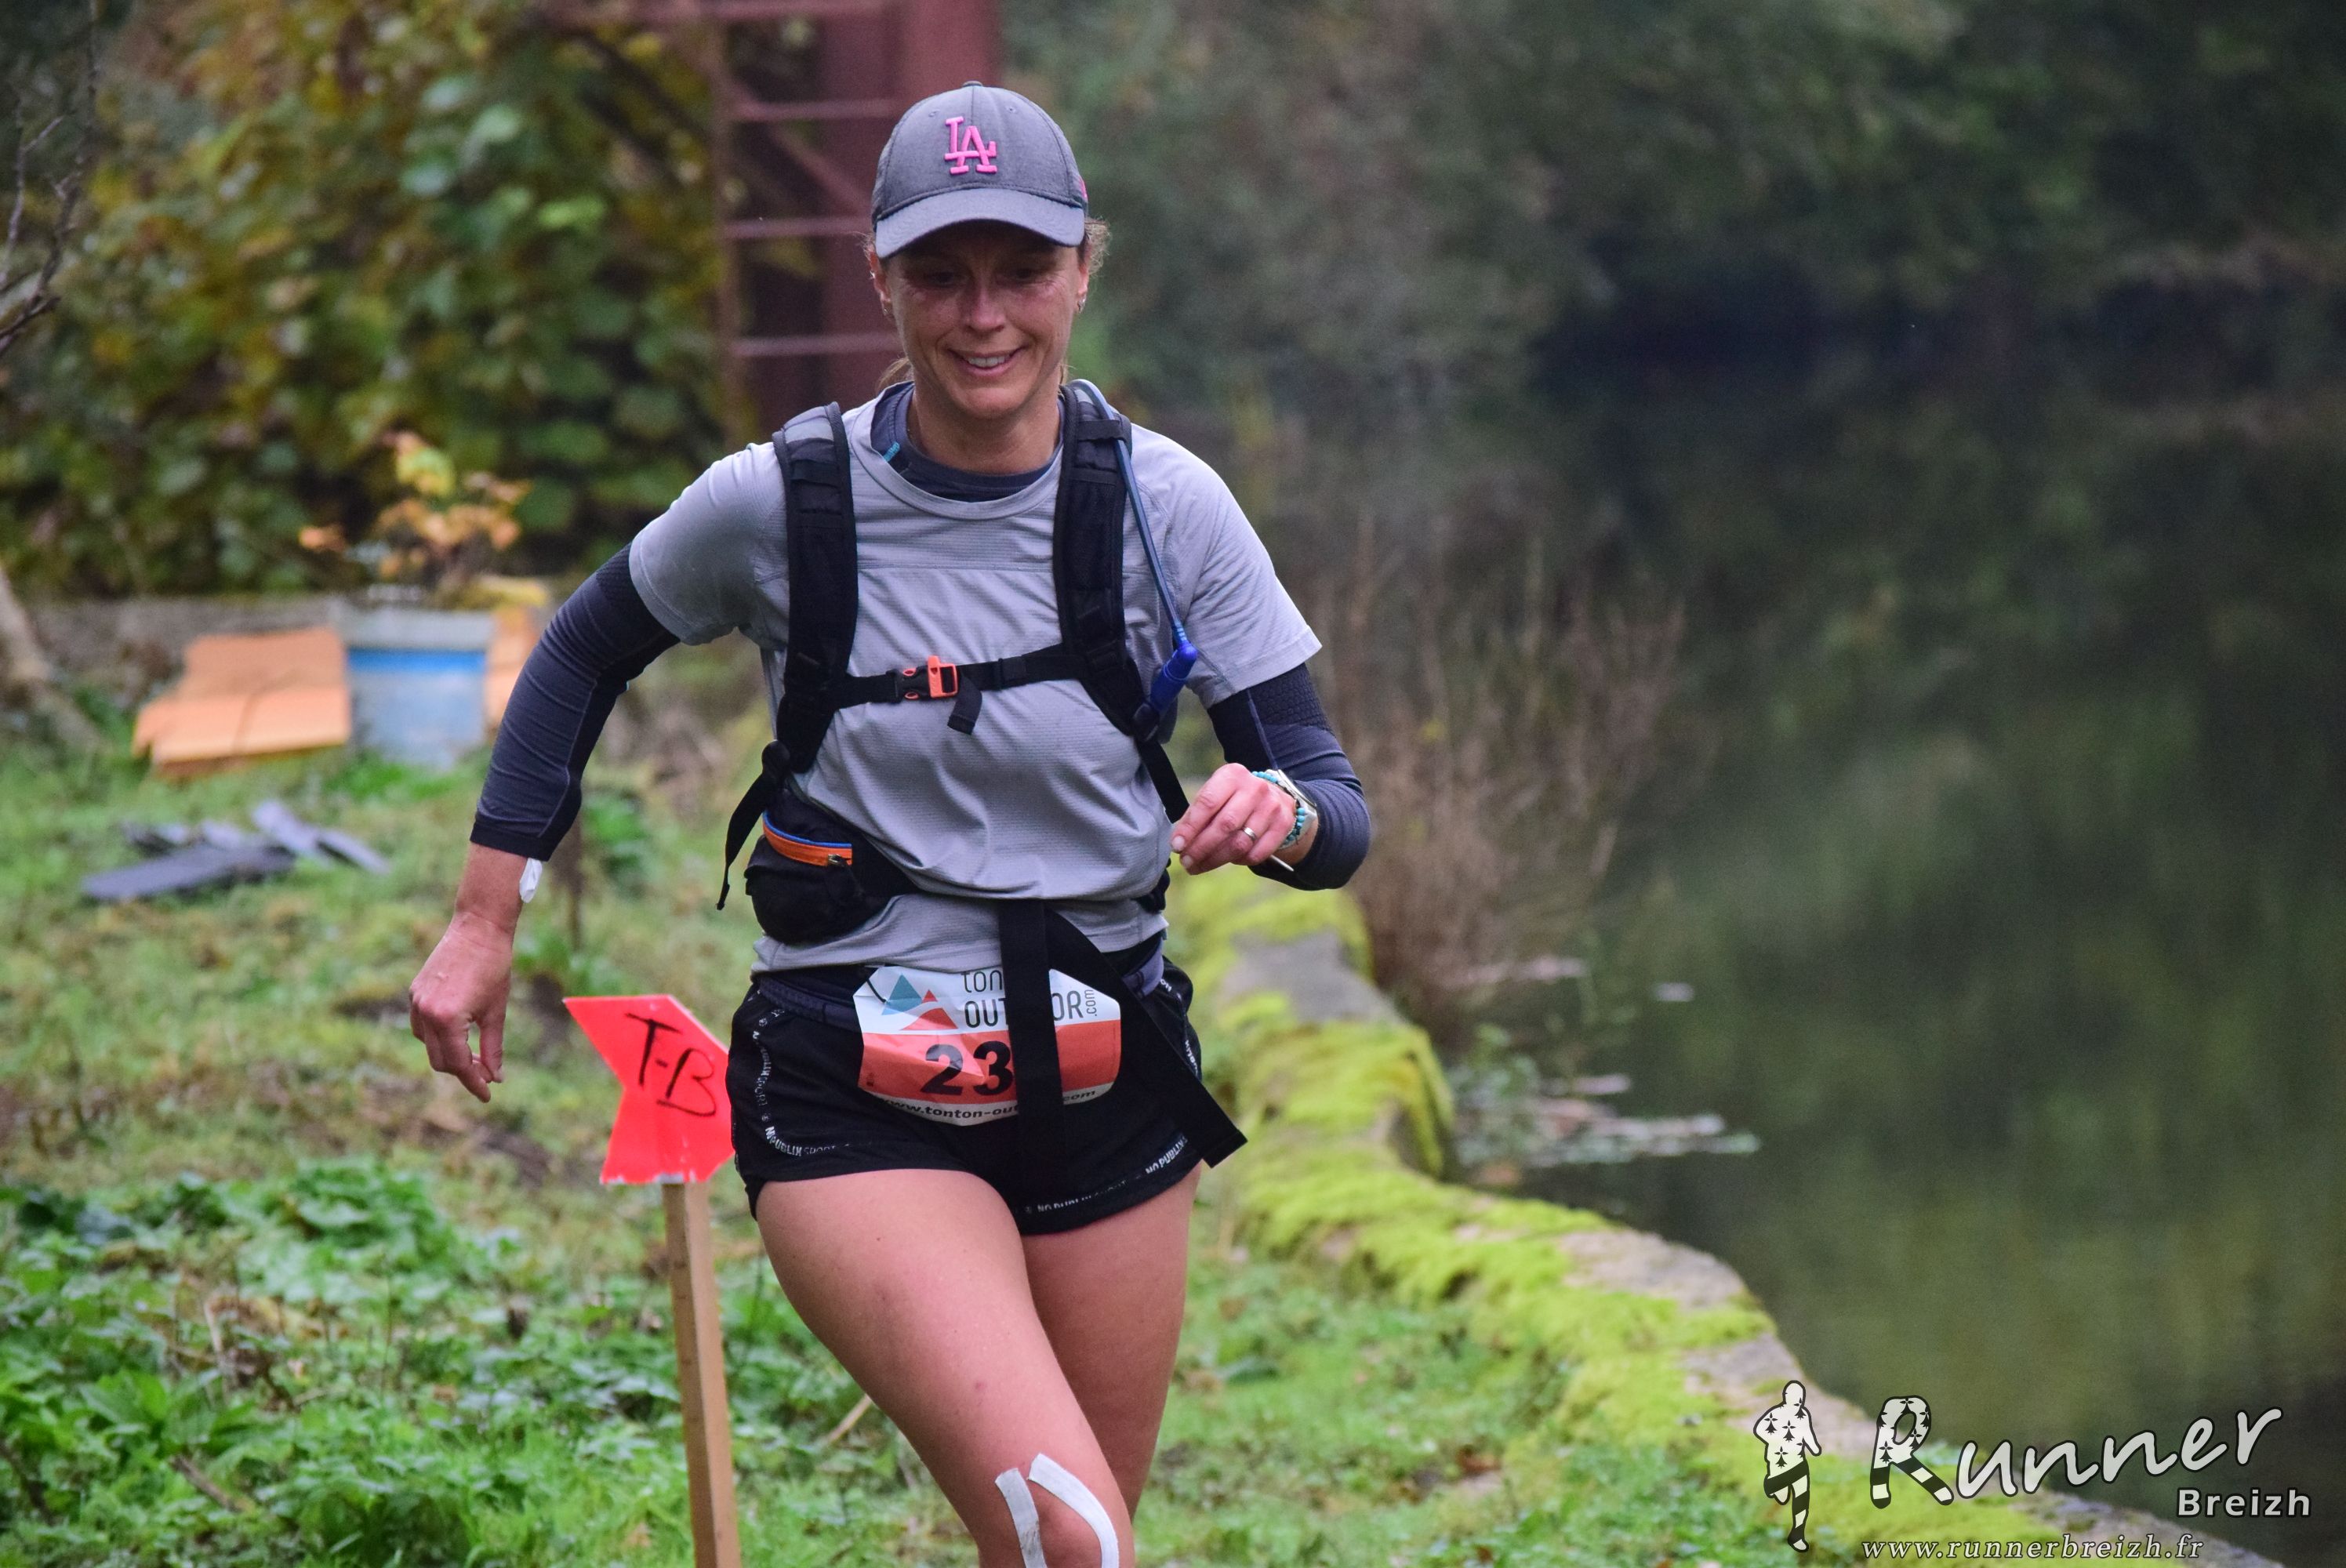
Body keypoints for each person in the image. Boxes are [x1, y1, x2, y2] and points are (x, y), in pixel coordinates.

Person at [409, 82, 1370, 1568]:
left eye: (1022, 270)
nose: (984, 316)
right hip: (856, 1088)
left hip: (1110, 1074)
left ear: (1083, 271)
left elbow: (1332, 802)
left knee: (1064, 1549)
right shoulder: (783, 504)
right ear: (882, 279)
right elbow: (582, 648)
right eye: (941, 274)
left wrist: (1281, 810)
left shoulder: (1166, 507)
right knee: (1076, 1544)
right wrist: (486, 921)